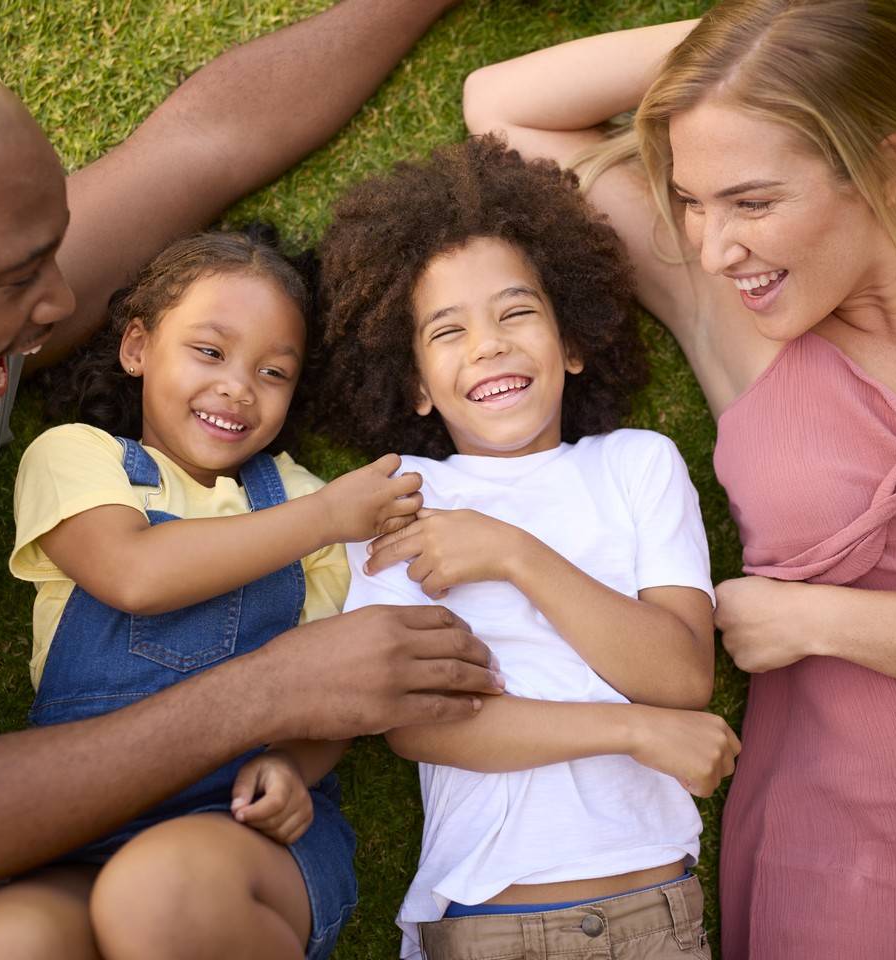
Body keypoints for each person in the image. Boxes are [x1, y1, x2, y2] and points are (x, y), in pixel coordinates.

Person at [0, 4, 506, 957]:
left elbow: (210, 142)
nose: (58, 304)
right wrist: (270, 691)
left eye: (52, 254)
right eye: (16, 278)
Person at [462, 1, 896, 956]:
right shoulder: (730, 311)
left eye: (751, 201)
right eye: (690, 201)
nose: (711, 247)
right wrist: (754, 41)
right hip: (843, 866)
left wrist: (822, 620)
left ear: (887, 164)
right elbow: (502, 109)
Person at [316, 134, 741, 960]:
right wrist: (629, 732)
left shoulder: (637, 465)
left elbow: (682, 674)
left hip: (653, 911)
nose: (489, 345)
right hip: (487, 920)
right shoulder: (405, 494)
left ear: (573, 341)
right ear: (415, 385)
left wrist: (513, 552)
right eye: (447, 332)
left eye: (516, 312)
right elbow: (416, 724)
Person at [0, 229, 425, 959]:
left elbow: (338, 682)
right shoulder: (78, 457)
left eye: (273, 372)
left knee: (156, 895)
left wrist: (294, 766)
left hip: (246, 832)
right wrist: (323, 518)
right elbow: (134, 574)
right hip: (80, 821)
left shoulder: (301, 500)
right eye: (210, 351)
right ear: (137, 348)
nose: (237, 386)